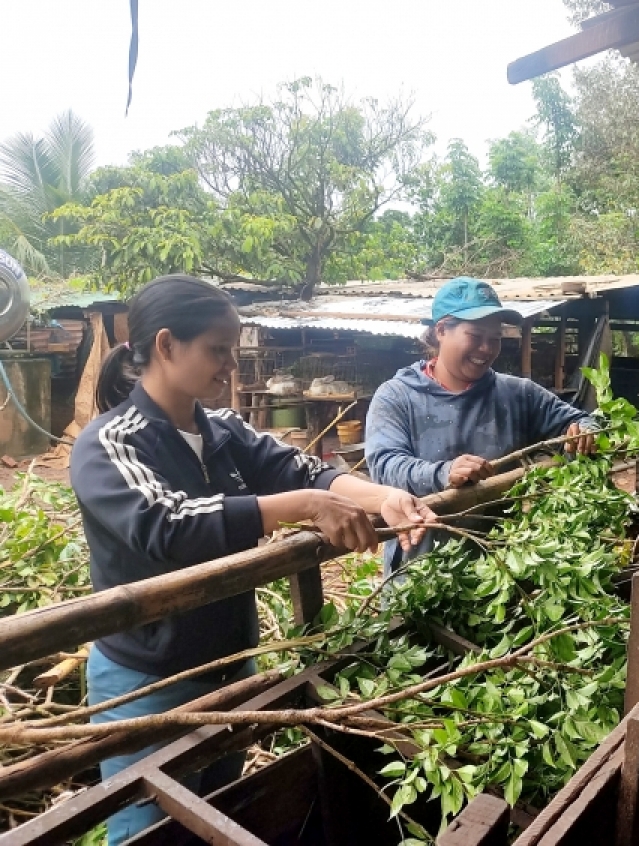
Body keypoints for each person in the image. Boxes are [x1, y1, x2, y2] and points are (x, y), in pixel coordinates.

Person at [70, 275, 434, 845]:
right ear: (166, 345)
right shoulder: (111, 442)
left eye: (233, 349)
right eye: (218, 350)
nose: (231, 365)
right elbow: (168, 526)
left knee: (222, 810)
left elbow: (304, 471)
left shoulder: (223, 430)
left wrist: (382, 497)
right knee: (148, 833)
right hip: (150, 681)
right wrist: (305, 507)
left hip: (232, 663)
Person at [366, 277, 596, 570]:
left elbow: (583, 420)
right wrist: (444, 472)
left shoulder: (518, 394)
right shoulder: (397, 396)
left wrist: (585, 432)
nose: (487, 348)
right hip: (421, 573)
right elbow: (385, 467)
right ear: (441, 331)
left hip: (503, 570)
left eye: (495, 338)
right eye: (475, 336)